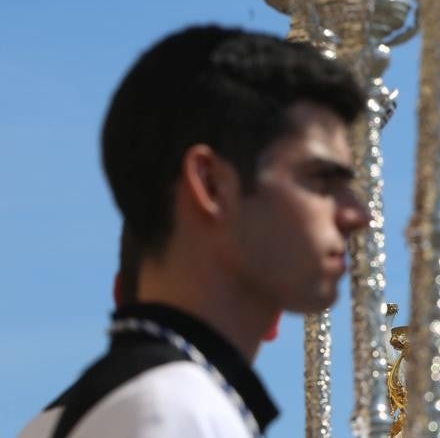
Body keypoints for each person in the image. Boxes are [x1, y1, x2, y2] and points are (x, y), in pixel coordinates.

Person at [19, 25, 367, 437]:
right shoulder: (173, 412)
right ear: (212, 185)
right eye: (320, 179)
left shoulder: (120, 403)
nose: (356, 214)